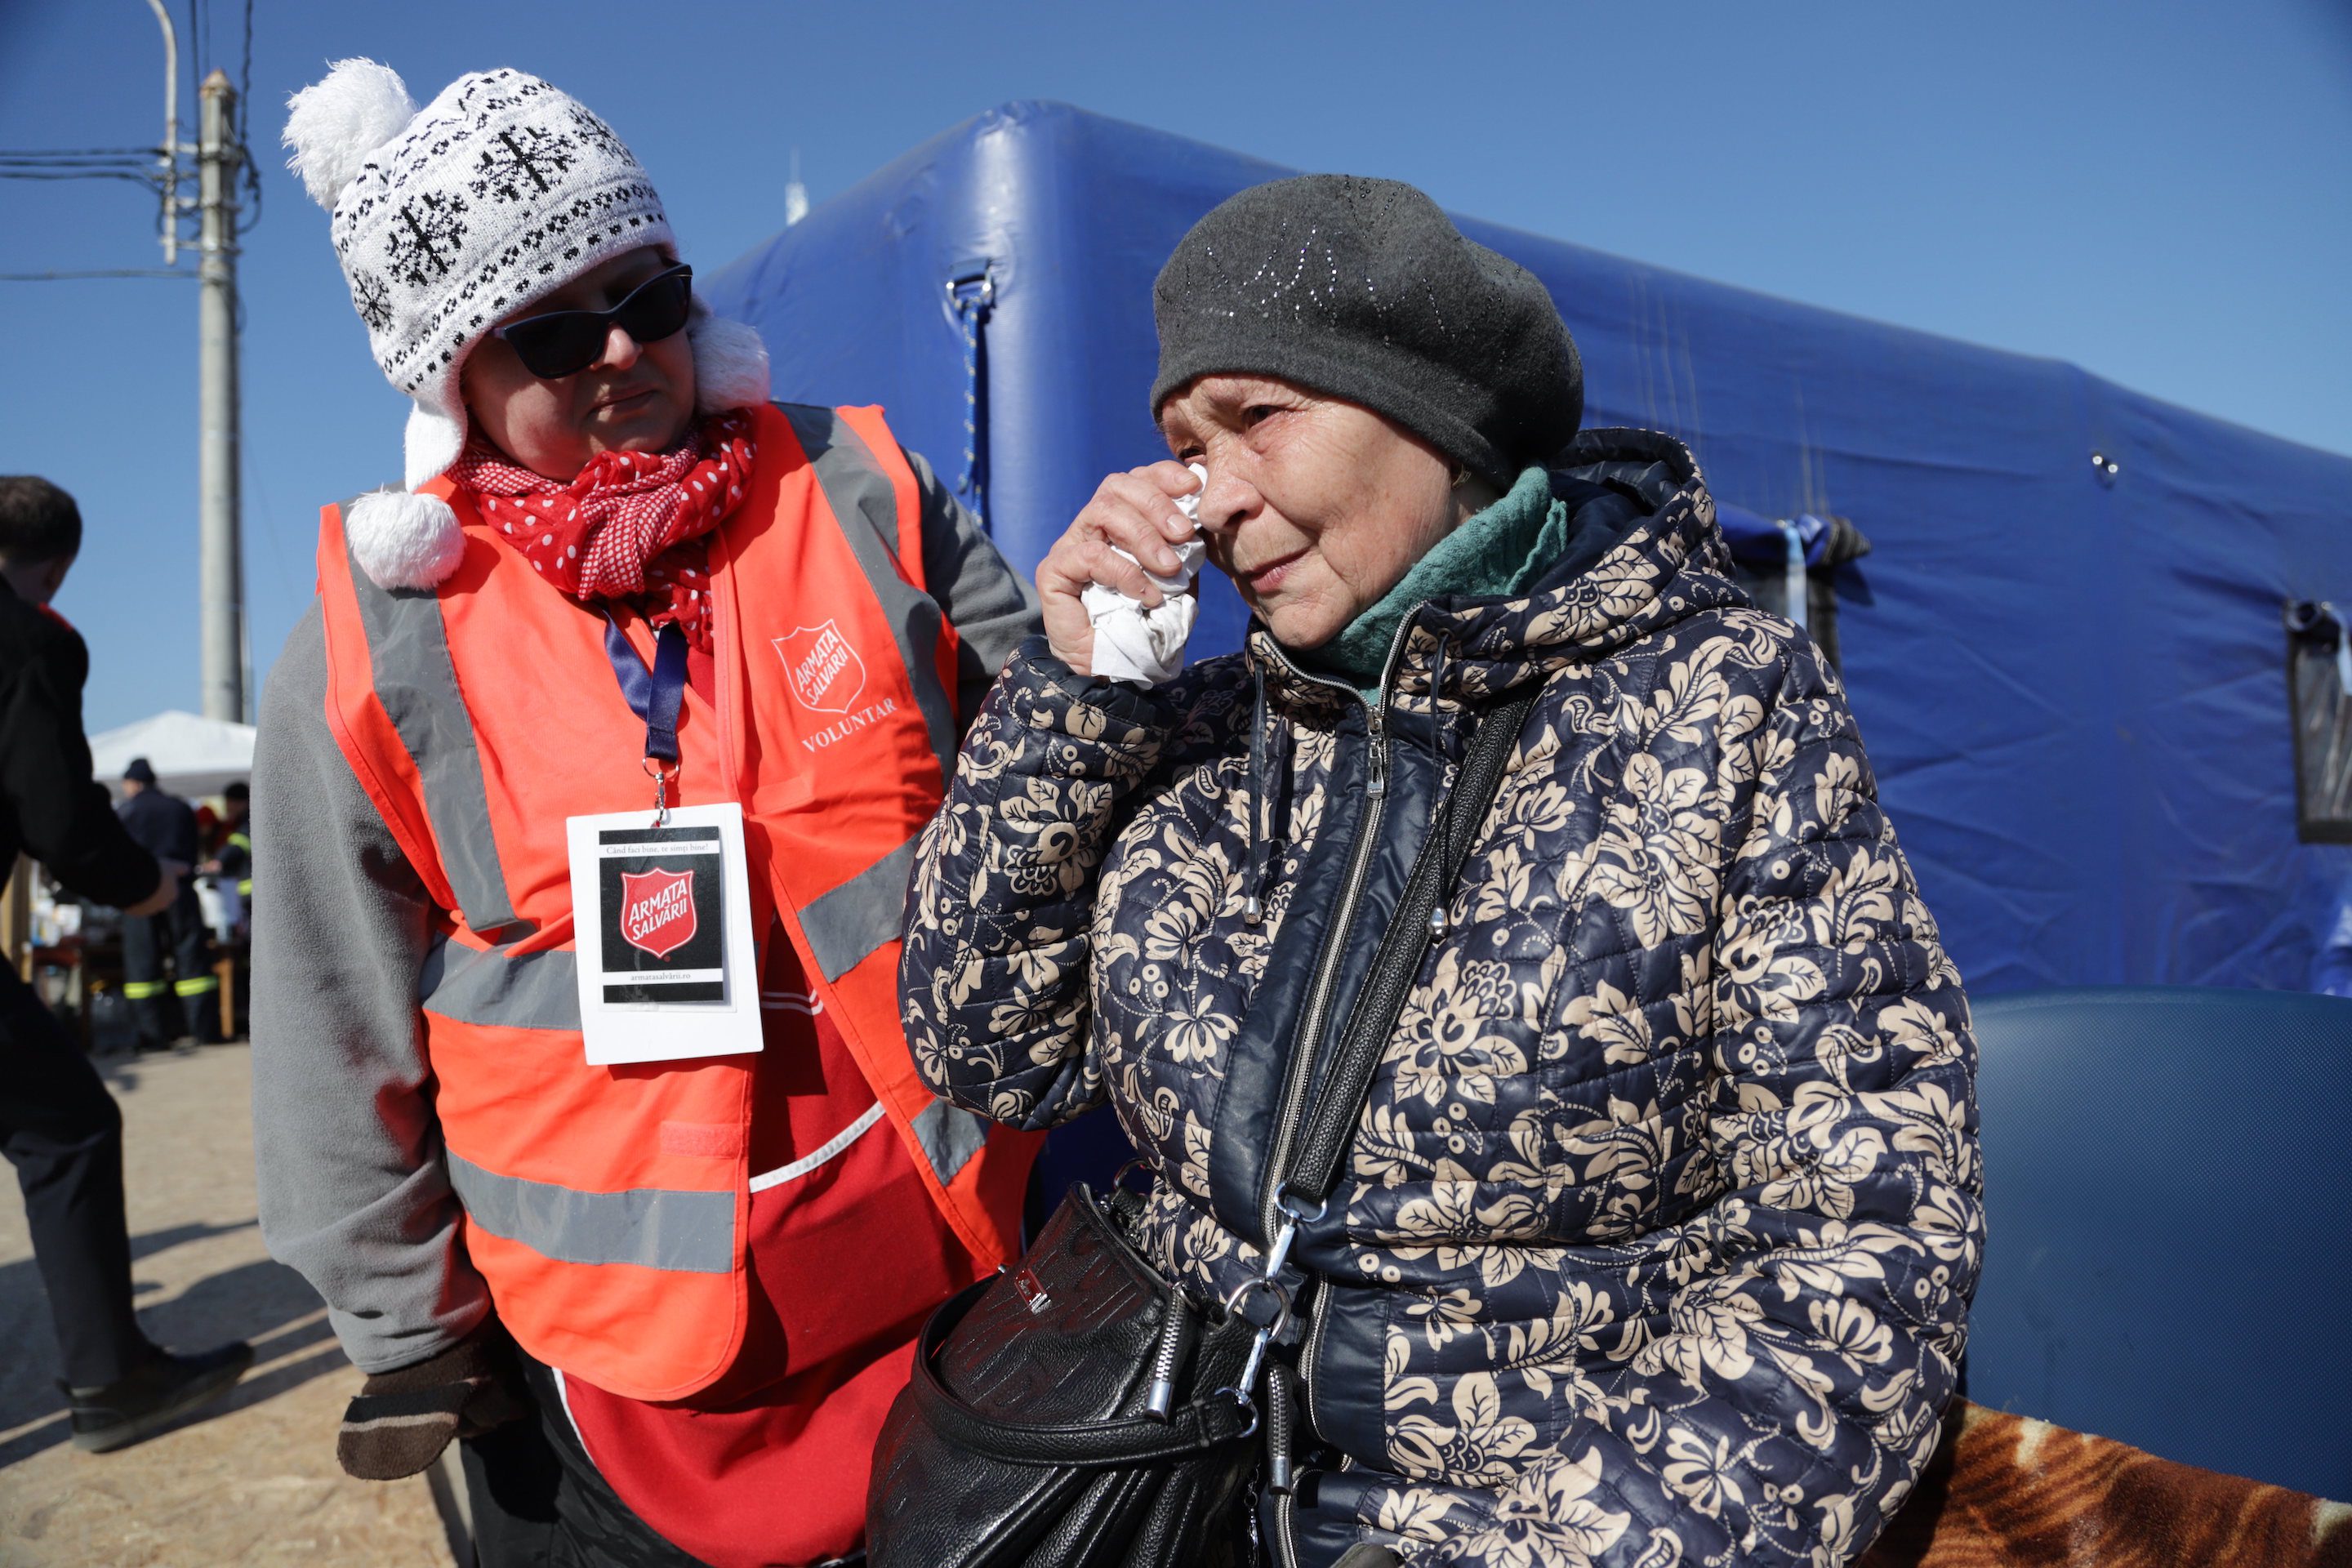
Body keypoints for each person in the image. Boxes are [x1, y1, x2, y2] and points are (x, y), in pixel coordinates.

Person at [901, 177, 1984, 1568]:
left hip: (1520, 1521)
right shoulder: (1192, 733)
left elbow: (1865, 1232)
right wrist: (1075, 696)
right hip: (1162, 1485)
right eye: (1182, 443)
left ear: (1435, 419)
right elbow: (987, 1051)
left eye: (1259, 420)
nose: (1214, 498)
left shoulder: (1721, 705)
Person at [255, 60, 1040, 1567]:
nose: (620, 349)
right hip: (612, 1351)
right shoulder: (377, 637)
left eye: (653, 297)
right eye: (552, 330)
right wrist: (408, 1329)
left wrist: (1102, 658)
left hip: (941, 1247)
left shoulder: (870, 494)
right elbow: (324, 1011)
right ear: (453, 376)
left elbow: (1051, 782)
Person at [0, 474, 253, 1450]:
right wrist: (144, 884)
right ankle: (110, 1381)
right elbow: (60, 820)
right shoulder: (31, 641)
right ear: (58, 568)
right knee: (68, 1129)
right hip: (143, 897)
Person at [115, 757, 220, 1049]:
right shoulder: (181, 808)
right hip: (180, 890)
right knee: (193, 962)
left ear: (134, 783)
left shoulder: (126, 811)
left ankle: (153, 1037)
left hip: (140, 895)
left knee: (143, 968)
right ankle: (204, 1032)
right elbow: (194, 848)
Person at [203, 781, 253, 938]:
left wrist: (219, 861)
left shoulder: (248, 821)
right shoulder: (242, 820)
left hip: (250, 890)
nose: (227, 807)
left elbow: (239, 844)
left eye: (229, 802)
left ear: (239, 803)